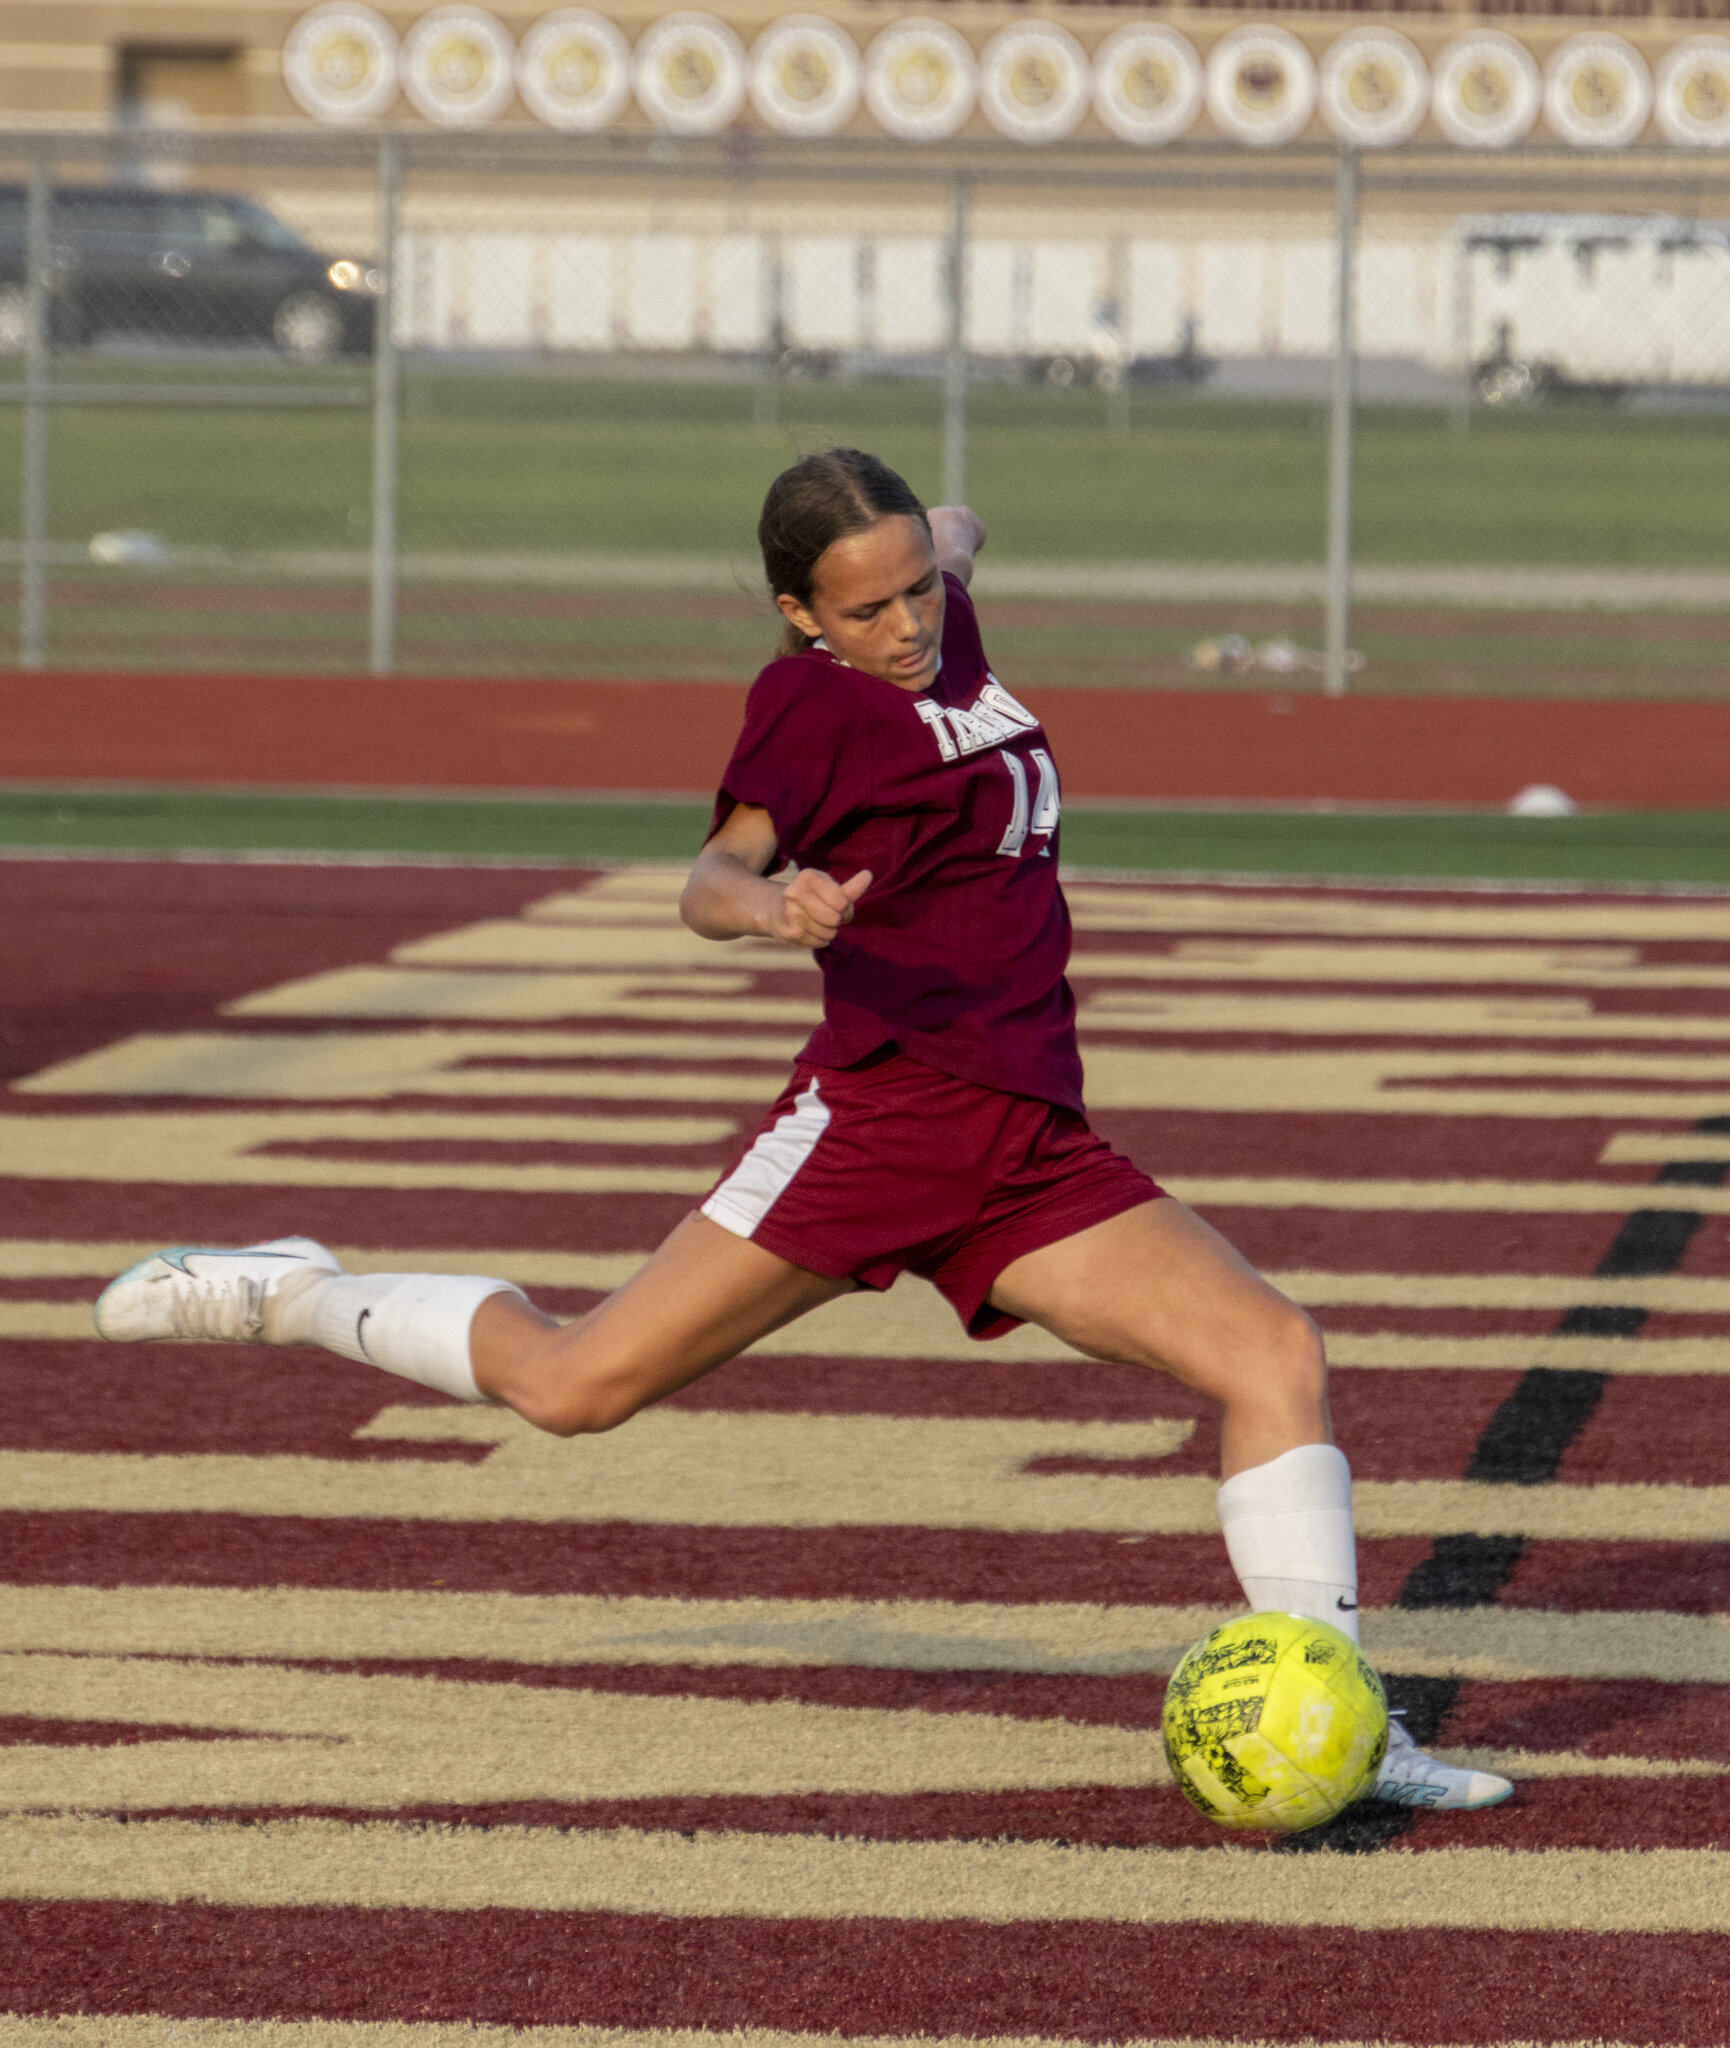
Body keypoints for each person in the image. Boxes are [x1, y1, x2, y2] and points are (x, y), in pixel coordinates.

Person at [95, 447, 1509, 1816]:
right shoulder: (813, 709)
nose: (903, 626)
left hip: (1022, 1144)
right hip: (876, 1126)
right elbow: (710, 876)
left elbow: (949, 526)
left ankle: (1352, 1725)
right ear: (797, 615)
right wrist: (770, 910)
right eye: (865, 607)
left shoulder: (933, 605)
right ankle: (289, 1290)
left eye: (915, 592)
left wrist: (944, 542)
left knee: (1271, 1352)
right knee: (575, 1388)